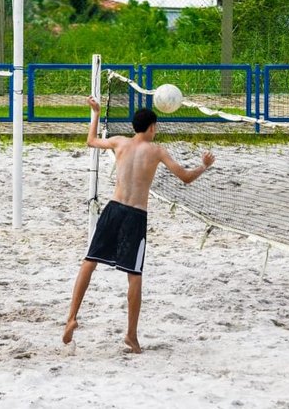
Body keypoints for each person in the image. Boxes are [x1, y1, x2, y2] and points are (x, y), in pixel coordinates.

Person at [62, 97, 215, 354]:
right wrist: (204, 166)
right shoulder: (156, 151)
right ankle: (131, 335)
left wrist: (95, 113)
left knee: (89, 261)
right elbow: (186, 178)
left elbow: (90, 141)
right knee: (134, 276)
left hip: (113, 209)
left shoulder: (120, 142)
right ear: (152, 127)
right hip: (135, 216)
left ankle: (71, 317)